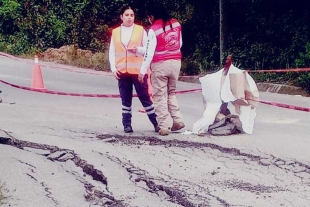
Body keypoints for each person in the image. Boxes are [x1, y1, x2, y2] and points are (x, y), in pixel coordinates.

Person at [109, 5, 159, 133]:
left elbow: (147, 50)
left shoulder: (140, 30)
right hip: (122, 71)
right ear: (121, 17)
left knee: (145, 98)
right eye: (127, 15)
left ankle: (156, 123)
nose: (129, 18)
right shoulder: (115, 32)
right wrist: (113, 69)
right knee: (125, 99)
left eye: (131, 15)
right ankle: (127, 124)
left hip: (138, 71)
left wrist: (137, 50)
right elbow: (112, 51)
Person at [138, 4, 185, 136]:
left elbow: (149, 53)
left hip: (160, 65)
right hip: (176, 62)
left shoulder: (153, 29)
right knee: (172, 92)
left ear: (151, 16)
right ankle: (177, 120)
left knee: (159, 95)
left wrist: (142, 71)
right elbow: (179, 44)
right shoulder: (176, 24)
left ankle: (163, 126)